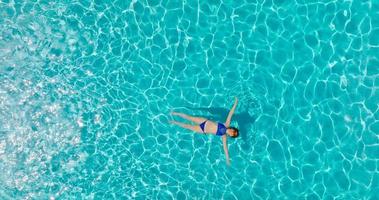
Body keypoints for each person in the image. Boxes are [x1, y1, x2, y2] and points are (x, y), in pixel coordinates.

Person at [170, 97, 239, 165]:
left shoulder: (224, 136)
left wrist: (227, 159)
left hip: (203, 130)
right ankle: (175, 113)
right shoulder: (226, 124)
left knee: (187, 126)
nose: (231, 132)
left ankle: (174, 122)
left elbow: (225, 148)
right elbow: (230, 113)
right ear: (232, 128)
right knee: (189, 117)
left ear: (230, 135)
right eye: (233, 131)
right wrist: (235, 103)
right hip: (204, 121)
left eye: (232, 134)